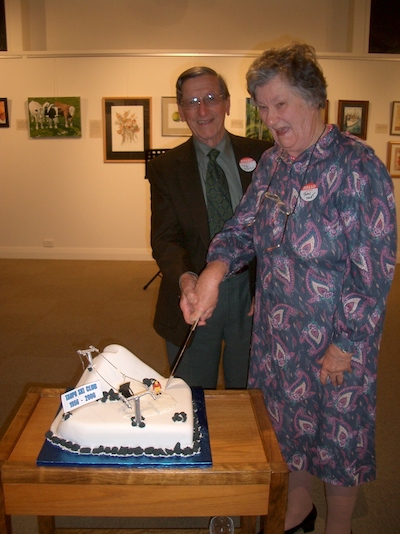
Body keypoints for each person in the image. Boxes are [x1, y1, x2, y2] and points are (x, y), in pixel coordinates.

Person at [179, 43, 397, 534]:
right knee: (285, 434)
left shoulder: (357, 168)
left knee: (338, 441)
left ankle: (338, 526)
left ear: (314, 99)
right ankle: (296, 512)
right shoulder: (274, 164)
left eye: (279, 104)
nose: (268, 117)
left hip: (335, 341)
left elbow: (373, 271)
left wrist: (345, 345)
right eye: (261, 105)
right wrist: (212, 272)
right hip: (278, 335)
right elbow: (242, 230)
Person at [147, 66, 270, 388]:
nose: (203, 110)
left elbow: (277, 228)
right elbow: (165, 238)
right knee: (191, 394)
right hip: (193, 296)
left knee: (250, 395)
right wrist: (187, 281)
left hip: (251, 293)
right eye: (193, 101)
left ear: (228, 104)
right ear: (181, 110)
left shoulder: (264, 156)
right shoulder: (164, 169)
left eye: (212, 98)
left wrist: (269, 284)